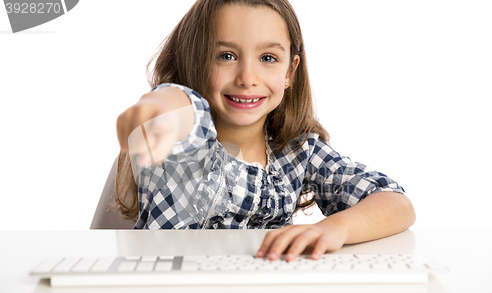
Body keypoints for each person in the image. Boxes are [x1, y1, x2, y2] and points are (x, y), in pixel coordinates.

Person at [114, 0, 416, 262]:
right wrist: (156, 111)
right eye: (226, 56)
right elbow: (177, 105)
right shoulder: (188, 136)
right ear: (196, 59)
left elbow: (395, 202)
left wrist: (335, 228)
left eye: (268, 58)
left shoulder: (297, 149)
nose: (248, 77)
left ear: (289, 72)